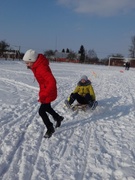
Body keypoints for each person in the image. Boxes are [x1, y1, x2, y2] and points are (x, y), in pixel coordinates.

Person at [23, 49, 64, 138]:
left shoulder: (41, 68)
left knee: (41, 111)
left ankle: (50, 128)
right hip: (45, 90)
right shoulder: (36, 65)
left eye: (27, 63)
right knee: (47, 107)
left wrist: (45, 94)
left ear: (32, 60)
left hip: (49, 91)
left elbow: (52, 81)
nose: (26, 65)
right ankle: (58, 118)